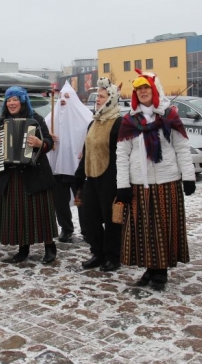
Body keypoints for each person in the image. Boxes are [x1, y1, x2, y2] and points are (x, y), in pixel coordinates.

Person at [116, 70, 197, 290]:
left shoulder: (169, 116)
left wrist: (188, 177)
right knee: (143, 228)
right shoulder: (129, 120)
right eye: (139, 89)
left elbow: (181, 147)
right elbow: (122, 154)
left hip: (166, 181)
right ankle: (149, 267)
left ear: (154, 90)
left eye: (146, 88)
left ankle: (160, 271)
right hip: (138, 183)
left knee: (162, 226)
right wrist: (122, 184)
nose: (143, 92)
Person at [0, 86, 58, 264]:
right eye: (8, 100)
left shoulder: (36, 119)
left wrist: (41, 143)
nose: (11, 103)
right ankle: (23, 249)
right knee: (19, 214)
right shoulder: (1, 122)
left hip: (34, 174)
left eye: (15, 99)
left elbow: (48, 141)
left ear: (23, 101)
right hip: (12, 176)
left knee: (40, 213)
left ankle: (49, 247)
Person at [75, 77, 123, 272]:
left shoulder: (118, 123)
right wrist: (79, 177)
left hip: (110, 179)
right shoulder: (93, 122)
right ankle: (97, 253)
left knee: (111, 220)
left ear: (111, 99)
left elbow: (121, 155)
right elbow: (86, 151)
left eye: (102, 97)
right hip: (91, 177)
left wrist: (122, 184)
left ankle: (113, 256)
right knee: (90, 218)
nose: (98, 99)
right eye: (98, 97)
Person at [45, 81, 91, 244]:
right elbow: (42, 138)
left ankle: (87, 230)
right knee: (60, 201)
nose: (63, 100)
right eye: (61, 97)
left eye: (67, 96)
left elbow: (91, 139)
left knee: (81, 200)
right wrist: (48, 138)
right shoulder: (50, 117)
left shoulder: (85, 117)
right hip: (57, 167)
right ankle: (66, 228)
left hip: (76, 167)